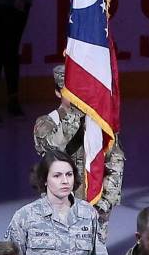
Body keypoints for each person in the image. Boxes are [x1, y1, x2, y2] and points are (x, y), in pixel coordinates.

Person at [31, 65, 126, 225]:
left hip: (95, 210)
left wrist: (105, 203)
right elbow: (53, 147)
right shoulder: (46, 122)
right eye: (70, 92)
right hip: (59, 210)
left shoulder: (100, 125)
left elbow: (115, 162)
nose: (76, 96)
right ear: (58, 92)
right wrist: (77, 113)